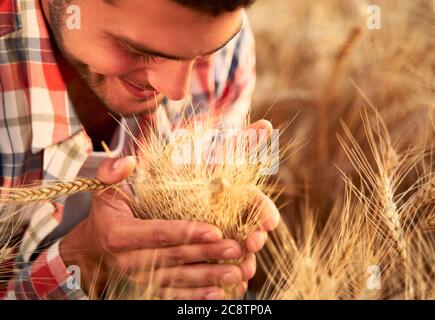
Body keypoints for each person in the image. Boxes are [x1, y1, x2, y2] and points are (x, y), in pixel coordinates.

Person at [0, 0, 280, 299]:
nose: (176, 91)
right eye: (136, 50)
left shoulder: (224, 44)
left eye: (204, 54)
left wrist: (216, 226)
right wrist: (86, 258)